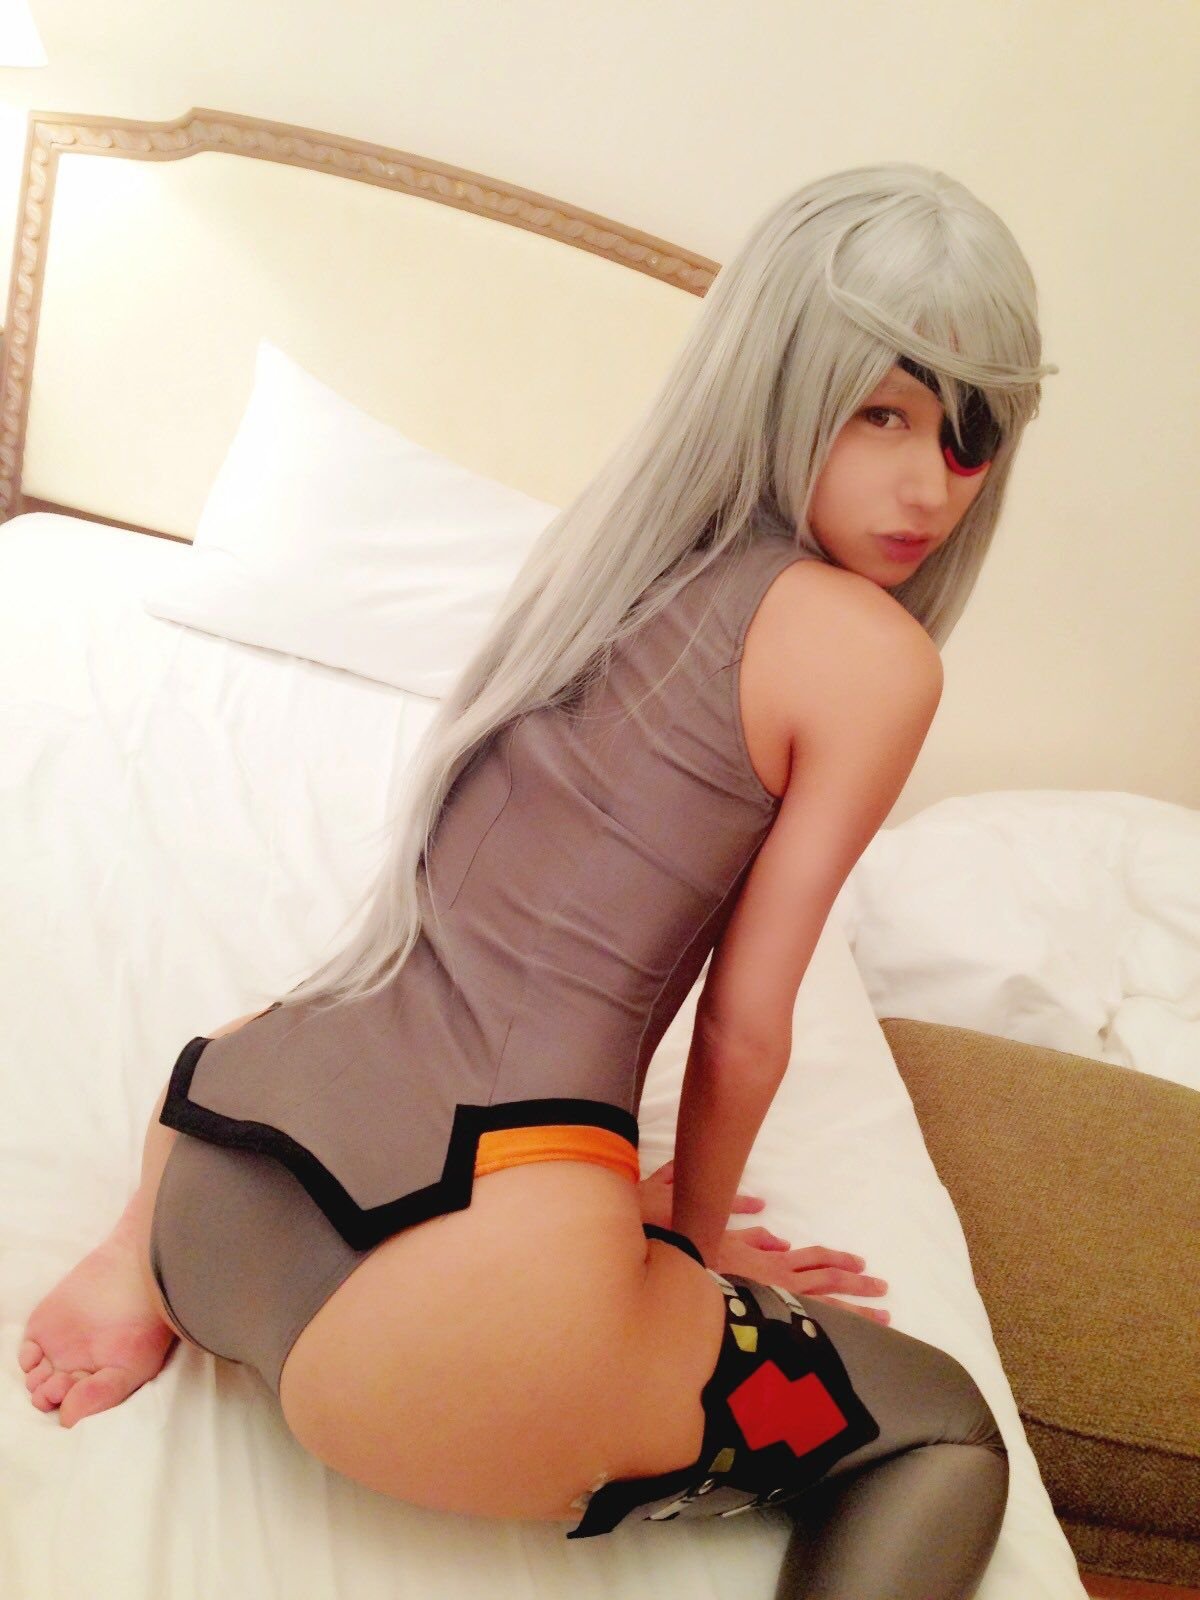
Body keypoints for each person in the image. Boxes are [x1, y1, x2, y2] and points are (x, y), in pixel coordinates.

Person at [19, 162, 1056, 1598]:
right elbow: (747, 1027)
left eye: (971, 432)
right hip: (458, 1331)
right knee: (942, 1432)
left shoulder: (611, 562)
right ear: (783, 382)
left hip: (222, 1160)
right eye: (881, 413)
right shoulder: (871, 656)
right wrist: (688, 1255)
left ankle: (138, 1271)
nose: (930, 485)